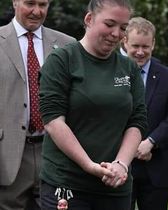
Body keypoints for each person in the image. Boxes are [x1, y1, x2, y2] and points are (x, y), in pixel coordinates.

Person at [38, 0, 147, 210]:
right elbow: (53, 121)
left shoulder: (129, 68)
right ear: (89, 19)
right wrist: (90, 166)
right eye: (109, 24)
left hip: (115, 187)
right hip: (67, 185)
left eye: (123, 28)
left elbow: (138, 121)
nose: (116, 34)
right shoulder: (62, 60)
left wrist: (121, 164)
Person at [0, 0, 75, 209]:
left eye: (43, 4)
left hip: (55, 154)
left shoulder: (68, 45)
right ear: (15, 2)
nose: (37, 11)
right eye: (30, 3)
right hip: (8, 157)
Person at [123, 16, 168, 210]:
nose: (140, 52)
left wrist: (150, 143)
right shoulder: (108, 71)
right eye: (135, 46)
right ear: (124, 42)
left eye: (146, 47)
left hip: (156, 166)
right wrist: (131, 148)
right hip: (118, 164)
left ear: (153, 44)